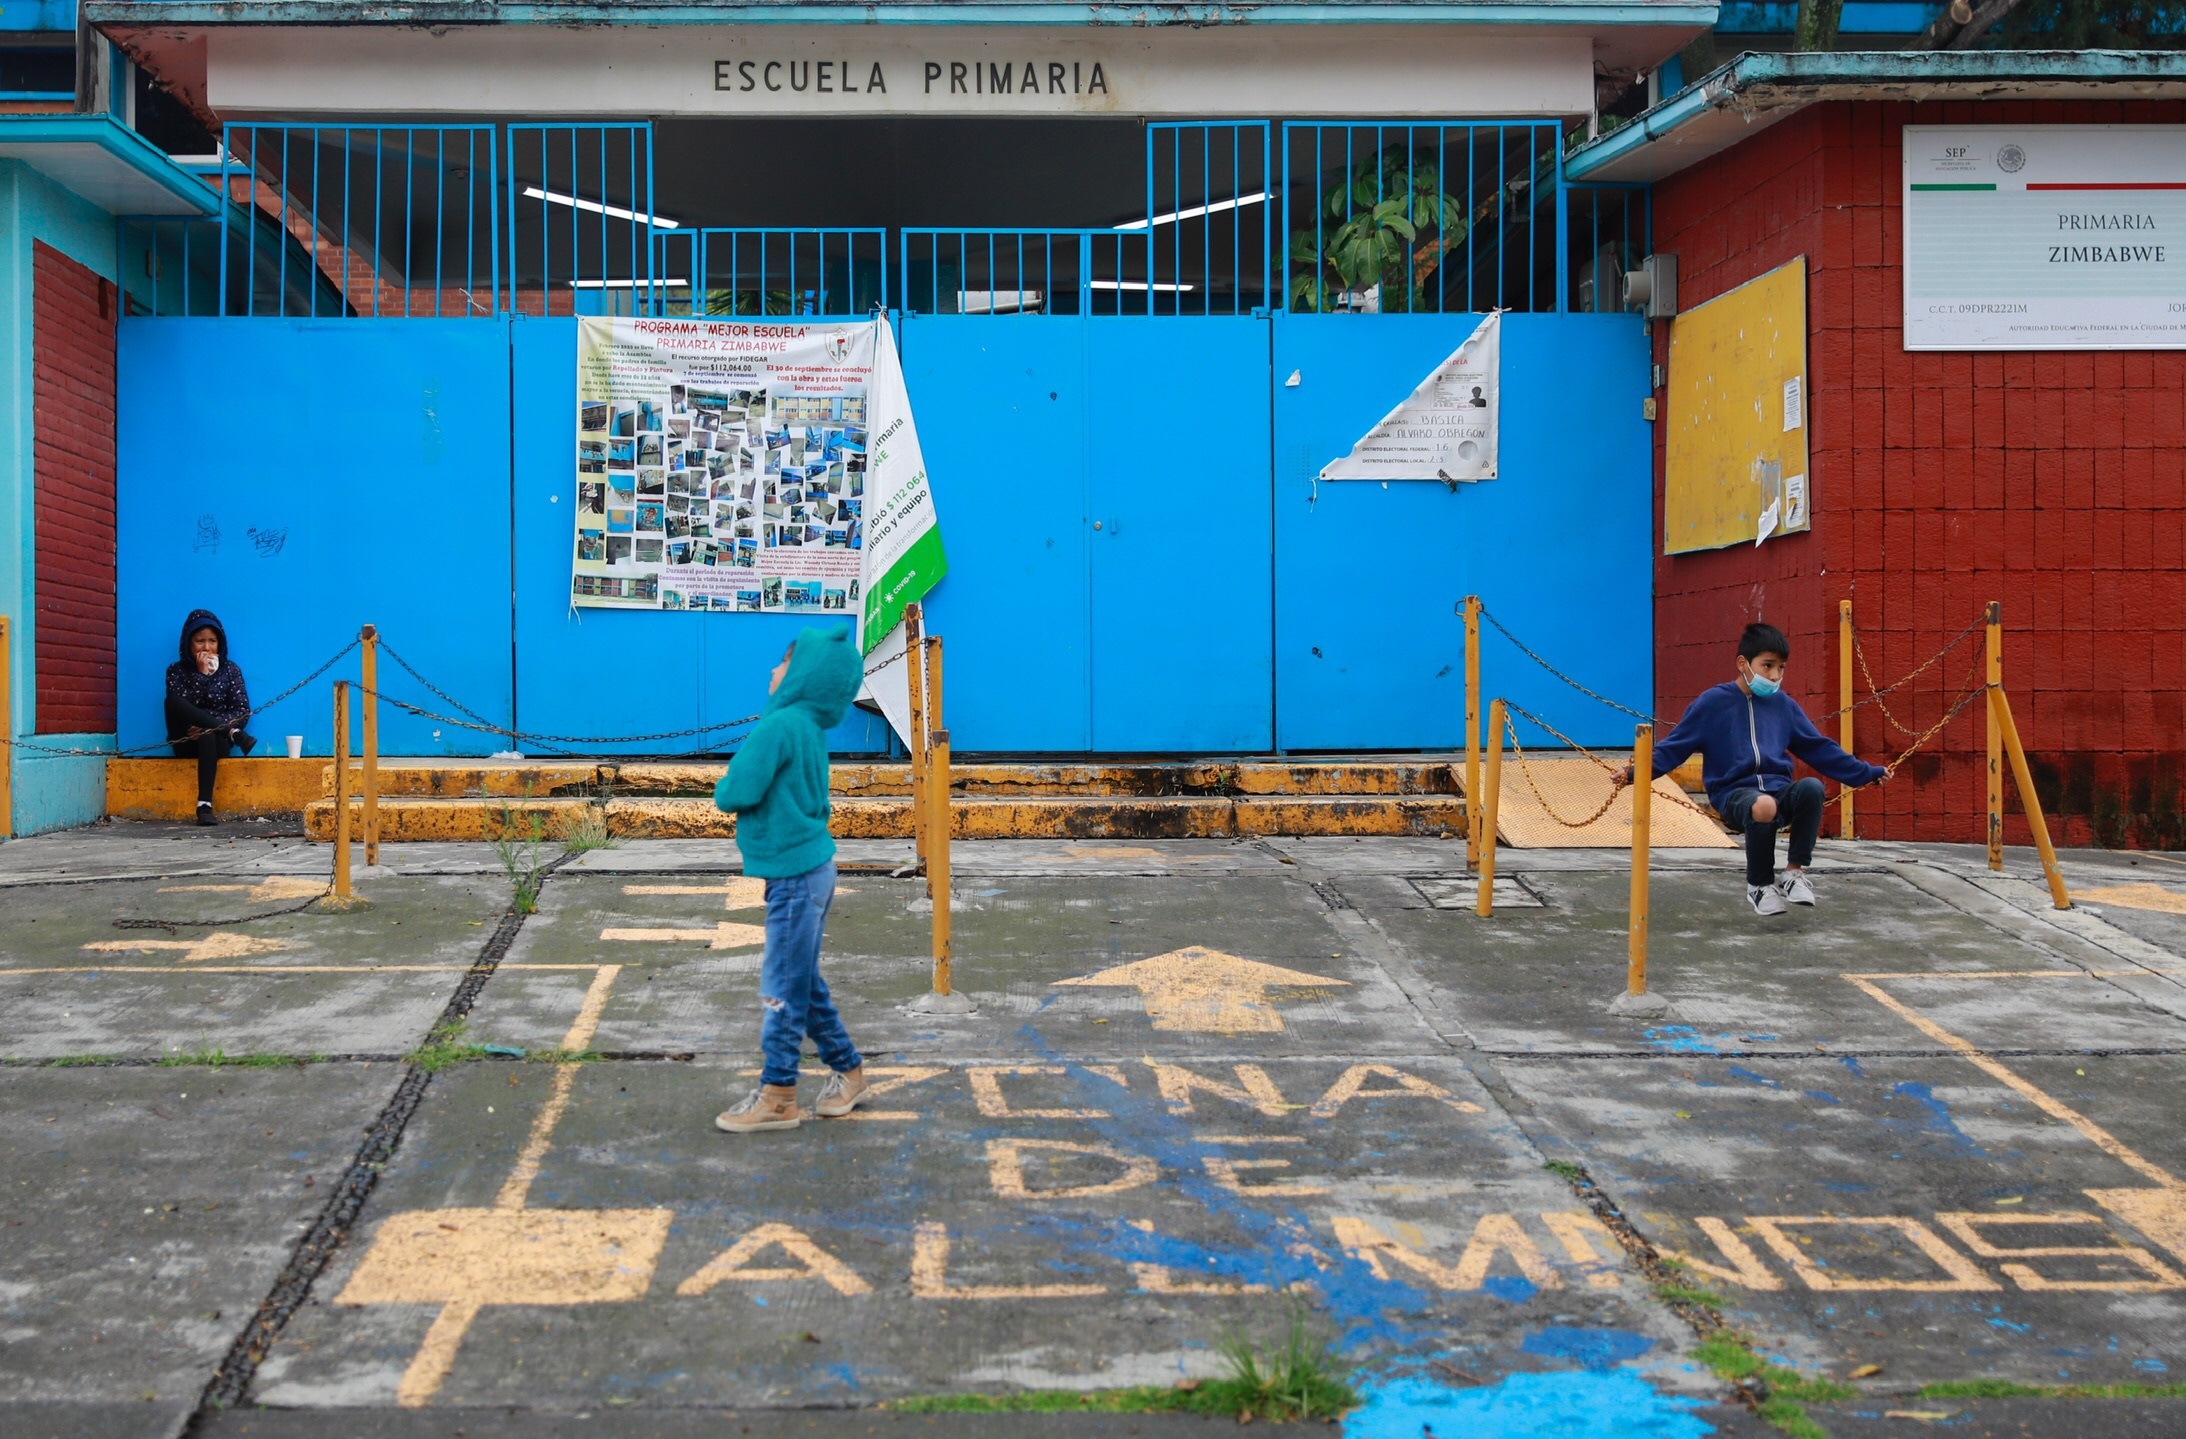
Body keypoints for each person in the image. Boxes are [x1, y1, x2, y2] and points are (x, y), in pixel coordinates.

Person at [711, 625, 870, 1133]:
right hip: (811, 870)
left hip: (794, 875)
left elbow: (739, 790)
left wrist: (725, 784)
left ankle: (779, 1093)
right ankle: (848, 1071)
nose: (772, 671)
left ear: (803, 675)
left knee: (782, 982)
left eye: (782, 663)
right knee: (801, 978)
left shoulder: (777, 726)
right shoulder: (807, 728)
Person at [1615, 621, 1885, 917]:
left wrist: (1866, 773)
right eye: (1767, 665)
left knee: (1811, 788)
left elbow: (1818, 747)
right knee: (1764, 805)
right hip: (1734, 794)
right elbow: (1675, 747)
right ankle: (1759, 885)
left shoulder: (1784, 705)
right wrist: (1634, 773)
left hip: (1778, 789)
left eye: (1781, 668)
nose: (1774, 675)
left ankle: (1794, 872)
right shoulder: (1713, 703)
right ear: (1743, 663)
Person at [165, 609, 256, 827]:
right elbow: (180, 706)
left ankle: (204, 806)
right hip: (184, 739)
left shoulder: (230, 670)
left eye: (212, 641)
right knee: (171, 701)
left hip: (215, 742)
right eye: (200, 641)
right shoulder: (176, 671)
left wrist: (209, 724)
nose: (207, 647)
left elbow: (241, 710)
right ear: (189, 643)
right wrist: (200, 675)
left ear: (220, 643)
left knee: (207, 734)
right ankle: (234, 734)